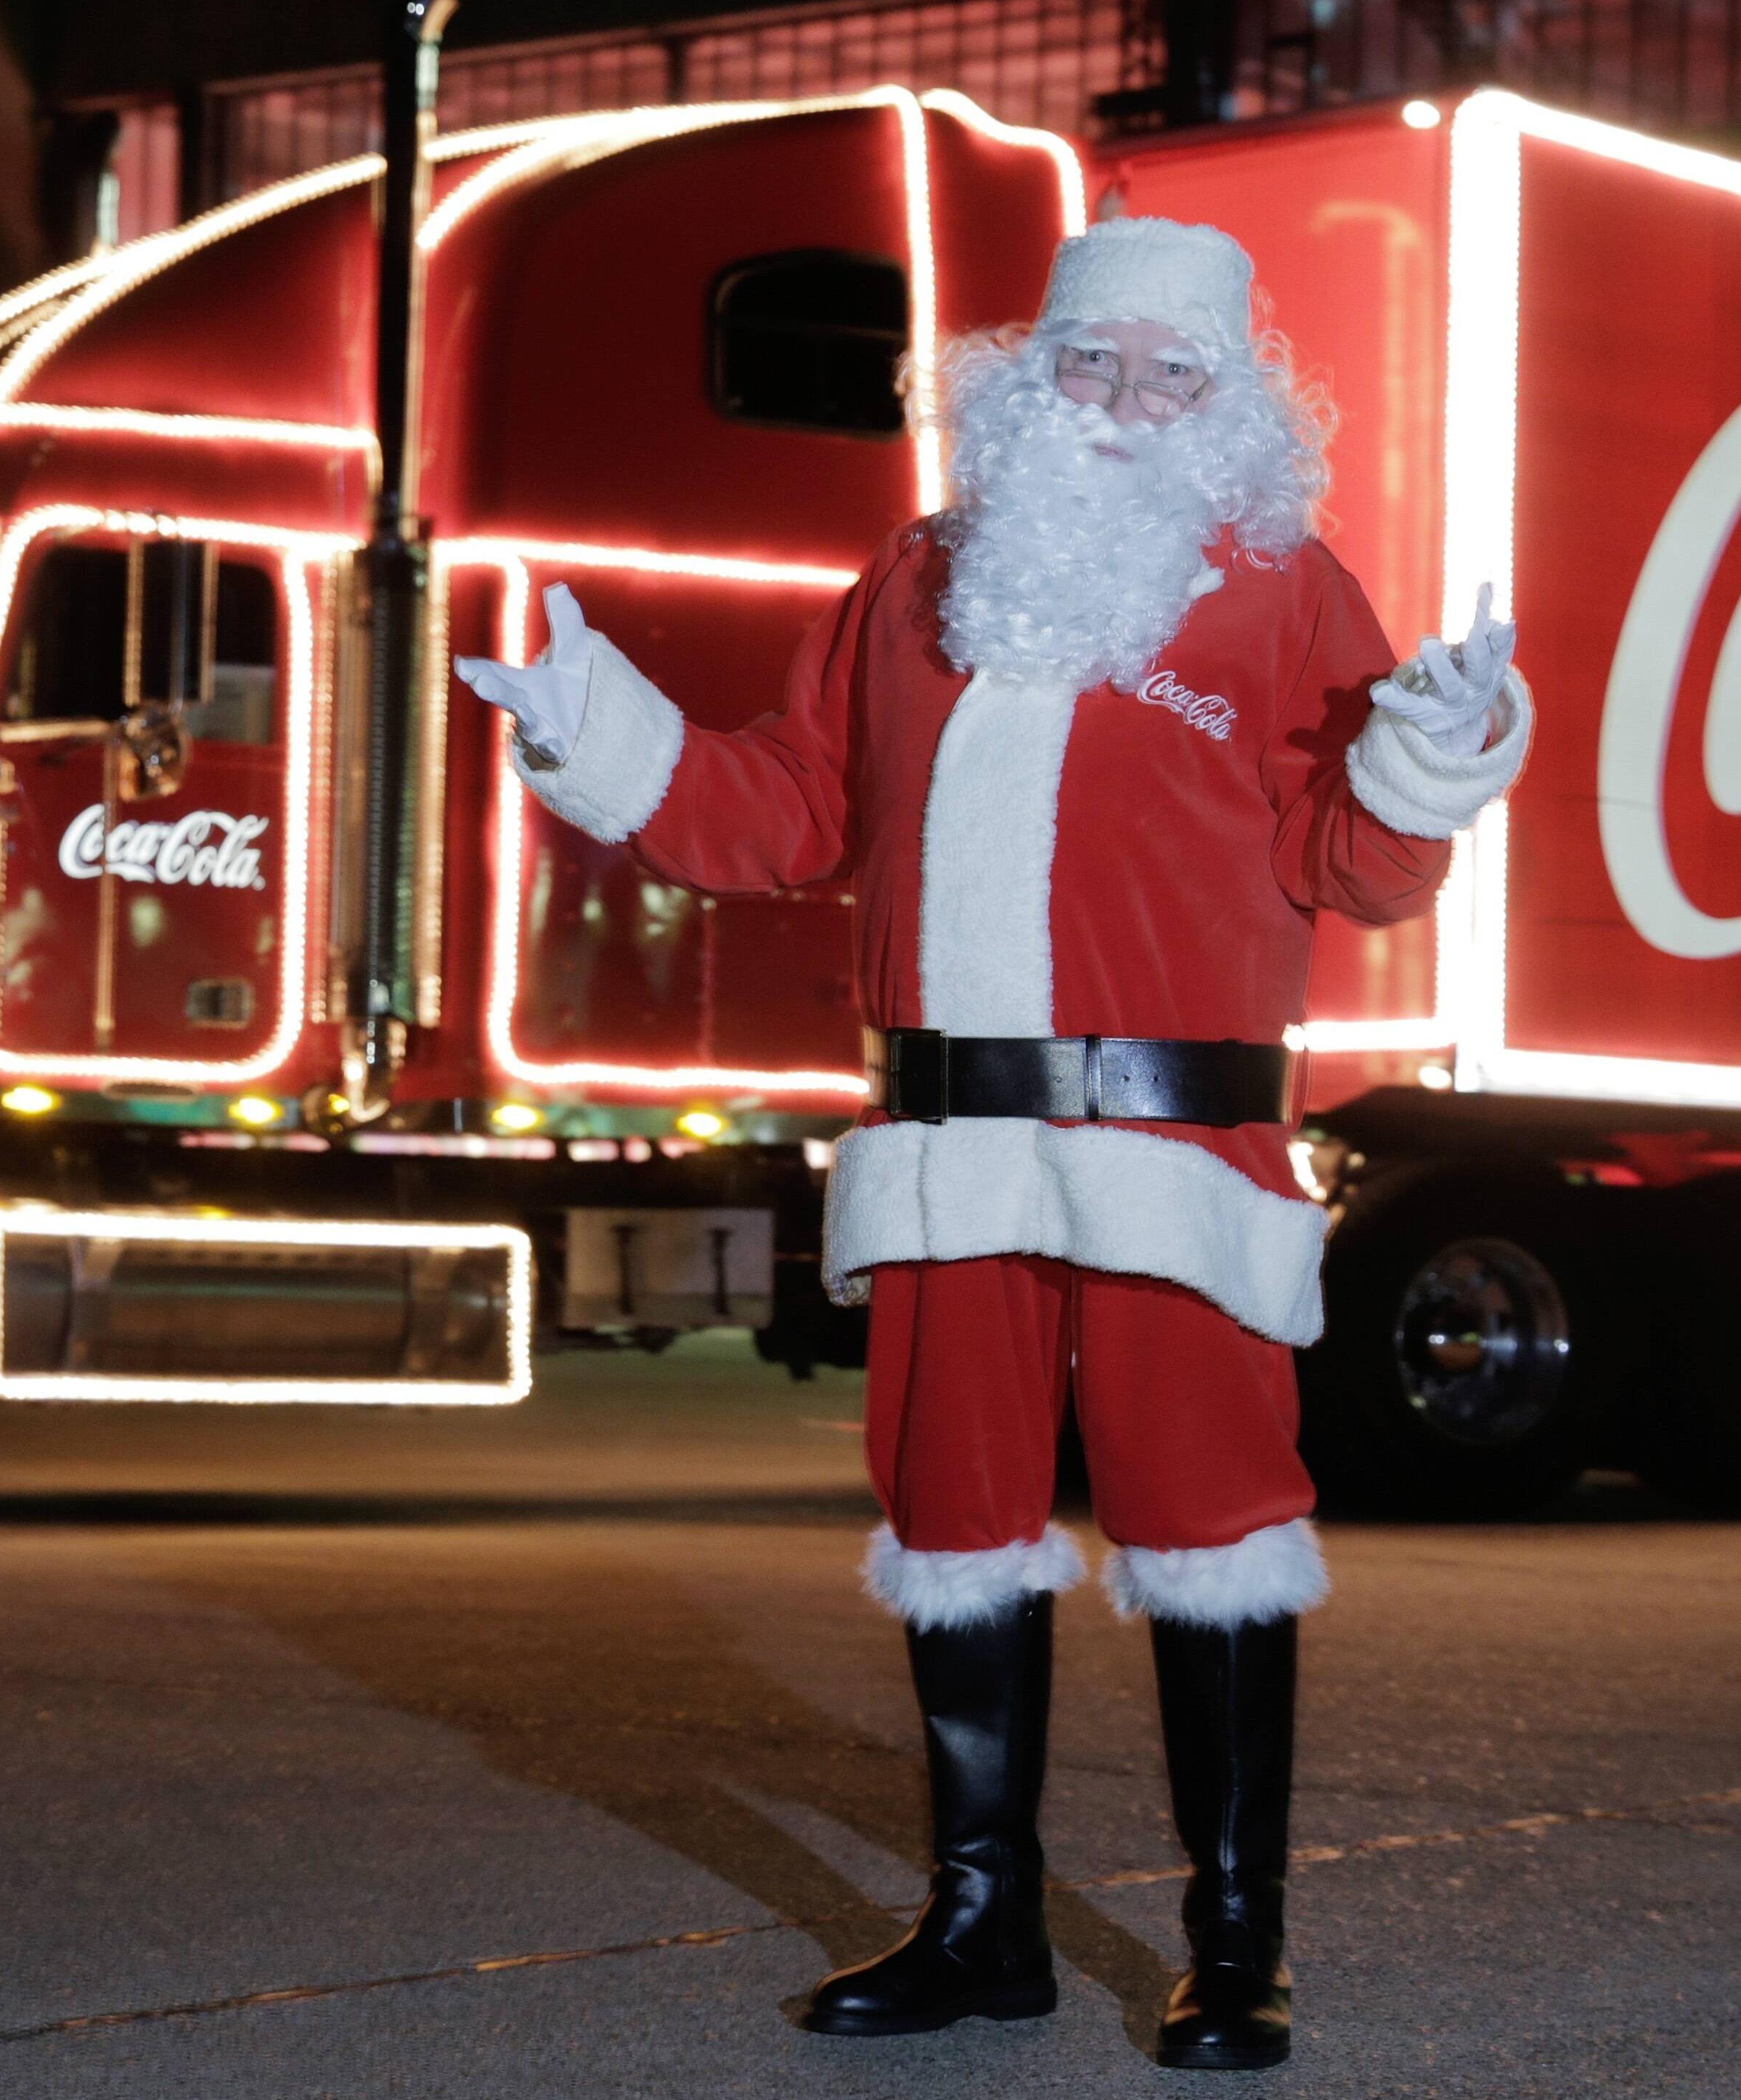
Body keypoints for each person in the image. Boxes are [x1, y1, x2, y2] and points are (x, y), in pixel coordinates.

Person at [457, 218, 1528, 2070]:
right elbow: (791, 809)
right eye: (1090, 366)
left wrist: (1432, 751)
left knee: (1212, 1538)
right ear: (1031, 382)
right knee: (954, 1528)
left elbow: (1350, 863)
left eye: (1170, 375)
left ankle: (1238, 1944)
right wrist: (600, 733)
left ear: (1231, 409)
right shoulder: (920, 580)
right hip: (950, 1147)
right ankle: (981, 1926)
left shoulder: (1282, 592)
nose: (1123, 405)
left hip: (1180, 1159)